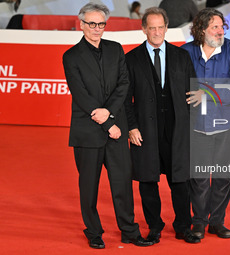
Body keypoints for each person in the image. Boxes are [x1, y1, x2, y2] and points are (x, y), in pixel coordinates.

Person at [62, 3, 153, 249]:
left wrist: (110, 116)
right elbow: (81, 96)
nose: (96, 28)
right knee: (88, 187)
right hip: (88, 133)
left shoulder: (115, 49)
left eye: (100, 24)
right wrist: (108, 123)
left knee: (122, 184)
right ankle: (93, 232)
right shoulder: (70, 56)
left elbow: (123, 85)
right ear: (81, 24)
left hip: (116, 130)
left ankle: (129, 231)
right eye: (91, 23)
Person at [124, 7, 200, 244]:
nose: (156, 31)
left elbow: (194, 90)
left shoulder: (181, 56)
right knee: (148, 181)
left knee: (181, 180)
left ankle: (182, 226)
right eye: (152, 27)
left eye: (160, 27)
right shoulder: (131, 59)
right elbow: (124, 99)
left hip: (178, 129)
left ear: (166, 28)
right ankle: (154, 226)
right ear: (143, 28)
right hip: (145, 131)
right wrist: (131, 127)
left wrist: (191, 123)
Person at [181, 8, 230, 239]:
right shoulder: (185, 52)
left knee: (222, 177)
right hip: (196, 125)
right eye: (215, 27)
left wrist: (206, 93)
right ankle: (199, 221)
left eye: (222, 27)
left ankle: (217, 221)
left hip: (227, 125)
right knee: (198, 177)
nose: (220, 32)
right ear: (200, 30)